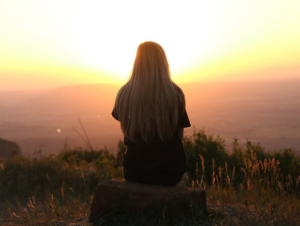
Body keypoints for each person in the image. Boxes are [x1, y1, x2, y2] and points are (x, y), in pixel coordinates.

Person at [112, 41, 191, 186]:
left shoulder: (123, 94)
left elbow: (126, 127)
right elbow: (179, 137)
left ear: (137, 62)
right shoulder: (175, 94)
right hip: (170, 172)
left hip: (134, 171)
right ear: (163, 63)